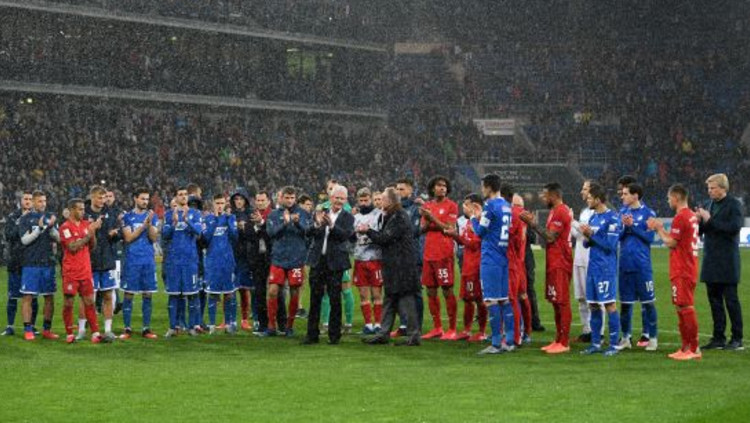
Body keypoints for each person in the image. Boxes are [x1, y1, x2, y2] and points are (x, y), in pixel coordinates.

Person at [648, 184, 702, 360]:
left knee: (685, 307)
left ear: (676, 198)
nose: (668, 201)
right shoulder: (691, 215)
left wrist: (658, 228)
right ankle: (685, 347)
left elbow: (671, 243)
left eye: (669, 197)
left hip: (683, 268)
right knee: (681, 306)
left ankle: (693, 349)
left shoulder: (681, 217)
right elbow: (677, 239)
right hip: (687, 266)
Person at [361, 187, 421, 346]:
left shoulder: (399, 216)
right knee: (390, 298)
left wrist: (368, 231)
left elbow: (385, 238)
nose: (380, 201)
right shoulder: (393, 215)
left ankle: (414, 335)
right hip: (394, 264)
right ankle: (383, 333)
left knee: (406, 298)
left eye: (383, 198)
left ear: (390, 200)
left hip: (402, 265)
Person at [521, 182, 573, 354]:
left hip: (560, 262)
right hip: (554, 261)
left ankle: (564, 342)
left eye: (545, 195)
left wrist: (533, 224)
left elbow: (550, 237)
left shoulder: (561, 211)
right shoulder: (554, 211)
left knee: (562, 302)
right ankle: (558, 339)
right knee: (556, 302)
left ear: (554, 195)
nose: (543, 198)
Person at [697, 173, 744, 350]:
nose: (709, 191)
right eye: (708, 188)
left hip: (727, 261)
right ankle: (718, 337)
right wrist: (699, 222)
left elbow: (734, 228)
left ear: (723, 188)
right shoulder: (708, 204)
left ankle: (737, 338)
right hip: (711, 259)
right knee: (714, 301)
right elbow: (702, 231)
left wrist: (709, 220)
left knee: (731, 301)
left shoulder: (734, 204)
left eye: (713, 188)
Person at [303, 185, 354, 345]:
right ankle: (312, 335)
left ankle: (334, 336)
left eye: (342, 198)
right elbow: (308, 232)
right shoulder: (319, 213)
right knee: (315, 298)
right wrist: (317, 224)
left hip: (336, 263)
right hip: (318, 261)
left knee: (335, 299)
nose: (339, 201)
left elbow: (345, 236)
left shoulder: (348, 217)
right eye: (336, 197)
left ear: (346, 200)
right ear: (331, 198)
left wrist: (332, 226)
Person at [472, 174, 514, 355]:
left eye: (483, 187)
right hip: (503, 256)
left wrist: (473, 218)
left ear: (489, 187)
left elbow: (480, 232)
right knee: (504, 299)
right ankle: (509, 341)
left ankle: (496, 343)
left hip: (490, 258)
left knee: (490, 300)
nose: (482, 190)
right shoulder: (506, 205)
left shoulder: (490, 205)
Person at [579, 183, 623, 356]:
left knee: (609, 305)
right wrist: (586, 237)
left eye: (590, 198)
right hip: (593, 267)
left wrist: (592, 235)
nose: (587, 200)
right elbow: (587, 244)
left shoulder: (613, 218)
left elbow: (610, 246)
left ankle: (614, 345)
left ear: (598, 199)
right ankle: (595, 344)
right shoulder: (593, 218)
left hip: (606, 268)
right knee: (593, 305)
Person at [262, 186, 311, 337]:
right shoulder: (274, 214)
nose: (290, 201)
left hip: (296, 259)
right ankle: (271, 326)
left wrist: (297, 223)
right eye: (287, 198)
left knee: (294, 291)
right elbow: (271, 233)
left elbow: (308, 232)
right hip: (278, 258)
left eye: (292, 198)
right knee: (272, 291)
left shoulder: (303, 213)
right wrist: (284, 223)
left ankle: (289, 326)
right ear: (281, 198)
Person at [617, 183, 658, 351]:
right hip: (625, 265)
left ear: (635, 196)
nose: (622, 196)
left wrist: (632, 226)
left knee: (648, 303)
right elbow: (618, 236)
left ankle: (653, 338)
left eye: (625, 194)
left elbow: (650, 238)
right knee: (625, 304)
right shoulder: (622, 213)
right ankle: (626, 338)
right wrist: (624, 227)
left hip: (642, 266)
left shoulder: (649, 213)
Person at [59, 198, 107, 344]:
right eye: (80, 209)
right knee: (68, 302)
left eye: (83, 209)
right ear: (72, 210)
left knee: (89, 302)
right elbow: (72, 247)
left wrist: (92, 233)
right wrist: (88, 234)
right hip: (71, 272)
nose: (83, 212)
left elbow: (92, 246)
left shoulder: (86, 224)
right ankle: (69, 334)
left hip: (85, 270)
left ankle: (95, 333)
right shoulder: (65, 227)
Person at [419, 176, 459, 340]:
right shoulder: (427, 206)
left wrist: (432, 219)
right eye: (438, 185)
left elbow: (449, 228)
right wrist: (429, 222)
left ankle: (452, 328)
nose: (442, 188)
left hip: (444, 253)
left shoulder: (452, 206)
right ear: (432, 188)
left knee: (447, 289)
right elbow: (422, 229)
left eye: (444, 186)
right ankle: (437, 328)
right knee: (430, 290)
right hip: (429, 253)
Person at [444, 193, 487, 342]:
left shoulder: (481, 221)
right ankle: (467, 330)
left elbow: (475, 244)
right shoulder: (470, 222)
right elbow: (465, 242)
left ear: (475, 206)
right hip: (468, 265)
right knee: (468, 299)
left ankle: (481, 332)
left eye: (466, 204)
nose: (464, 207)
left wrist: (456, 236)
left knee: (479, 299)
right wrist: (455, 235)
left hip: (477, 266)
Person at [18, 191, 59, 341]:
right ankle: (28, 329)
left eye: (44, 201)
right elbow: (24, 240)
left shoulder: (50, 217)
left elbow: (59, 238)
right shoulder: (25, 219)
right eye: (40, 201)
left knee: (49, 297)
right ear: (34, 202)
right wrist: (40, 229)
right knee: (28, 296)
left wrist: (52, 227)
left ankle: (47, 329)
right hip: (31, 263)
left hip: (48, 263)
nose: (43, 204)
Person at [119, 187, 160, 340]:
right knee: (129, 294)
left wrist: (149, 225)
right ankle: (127, 328)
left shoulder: (152, 216)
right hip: (132, 260)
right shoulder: (127, 217)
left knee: (147, 294)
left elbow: (153, 238)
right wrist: (143, 225)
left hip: (147, 260)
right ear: (135, 198)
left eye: (147, 199)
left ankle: (146, 328)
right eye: (142, 198)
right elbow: (128, 237)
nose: (145, 202)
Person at [163, 187, 203, 337]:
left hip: (190, 260)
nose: (184, 197)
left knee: (192, 294)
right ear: (176, 197)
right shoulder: (169, 214)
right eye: (180, 194)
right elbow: (165, 234)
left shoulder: (195, 213)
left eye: (185, 194)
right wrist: (174, 223)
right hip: (174, 261)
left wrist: (187, 221)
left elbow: (199, 231)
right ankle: (173, 327)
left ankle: (192, 327)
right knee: (173, 295)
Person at [84, 185, 120, 340]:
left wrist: (115, 234)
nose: (102, 200)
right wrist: (91, 229)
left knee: (108, 295)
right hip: (89, 261)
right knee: (88, 298)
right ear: (92, 197)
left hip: (107, 260)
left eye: (104, 198)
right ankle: (83, 330)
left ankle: (107, 329)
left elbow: (118, 234)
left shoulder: (110, 213)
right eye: (99, 197)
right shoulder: (85, 214)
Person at [248, 190, 286, 334]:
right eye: (258, 200)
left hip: (273, 259)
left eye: (262, 200)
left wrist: (261, 224)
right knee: (259, 293)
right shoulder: (251, 216)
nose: (260, 203)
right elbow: (247, 236)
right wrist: (255, 226)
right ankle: (263, 325)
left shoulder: (274, 215)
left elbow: (273, 235)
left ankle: (282, 324)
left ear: (268, 201)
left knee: (277, 292)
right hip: (257, 260)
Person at [390, 178, 424, 337]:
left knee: (414, 292)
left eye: (402, 189)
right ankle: (404, 324)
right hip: (396, 256)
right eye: (397, 189)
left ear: (410, 190)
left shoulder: (416, 209)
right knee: (399, 292)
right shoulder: (393, 209)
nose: (398, 192)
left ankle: (417, 326)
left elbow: (414, 231)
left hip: (412, 256)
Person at [2, 191, 39, 336]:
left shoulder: (36, 217)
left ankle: (32, 326)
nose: (28, 201)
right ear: (21, 201)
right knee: (13, 296)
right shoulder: (13, 217)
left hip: (31, 261)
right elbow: (9, 236)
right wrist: (21, 222)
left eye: (30, 199)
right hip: (16, 262)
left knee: (33, 297)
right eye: (25, 199)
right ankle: (10, 326)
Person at [203, 195, 239, 334]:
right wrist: (215, 221)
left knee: (229, 294)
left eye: (222, 203)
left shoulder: (231, 218)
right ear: (213, 204)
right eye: (217, 203)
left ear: (225, 204)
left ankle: (229, 324)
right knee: (212, 294)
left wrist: (228, 220)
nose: (219, 205)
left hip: (228, 261)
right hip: (213, 262)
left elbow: (235, 237)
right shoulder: (208, 219)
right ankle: (212, 325)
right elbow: (206, 239)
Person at [501, 185, 531, 346]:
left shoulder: (512, 214)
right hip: (520, 262)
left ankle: (514, 335)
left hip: (511, 262)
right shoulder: (523, 215)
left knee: (510, 299)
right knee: (523, 296)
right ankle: (526, 332)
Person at [351, 188, 384, 335]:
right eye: (361, 201)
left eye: (366, 200)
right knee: (363, 295)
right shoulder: (355, 217)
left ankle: (378, 324)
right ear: (358, 201)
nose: (364, 203)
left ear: (371, 199)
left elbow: (382, 236)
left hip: (375, 259)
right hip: (359, 259)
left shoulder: (379, 215)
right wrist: (354, 233)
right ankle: (368, 325)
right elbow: (351, 238)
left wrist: (368, 231)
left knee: (377, 294)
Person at [570, 180, 593, 342]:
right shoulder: (585, 212)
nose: (582, 192)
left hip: (589, 259)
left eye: (585, 189)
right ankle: (586, 330)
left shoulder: (595, 213)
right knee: (581, 298)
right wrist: (570, 223)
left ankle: (596, 331)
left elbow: (587, 233)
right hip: (578, 258)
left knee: (592, 299)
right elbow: (578, 235)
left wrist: (571, 220)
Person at [230, 190, 255, 330]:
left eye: (241, 199)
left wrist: (245, 228)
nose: (238, 201)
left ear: (245, 200)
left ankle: (245, 319)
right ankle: (229, 320)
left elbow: (253, 235)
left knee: (244, 289)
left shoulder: (250, 214)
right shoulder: (230, 214)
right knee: (230, 289)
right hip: (231, 256)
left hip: (245, 256)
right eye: (236, 199)